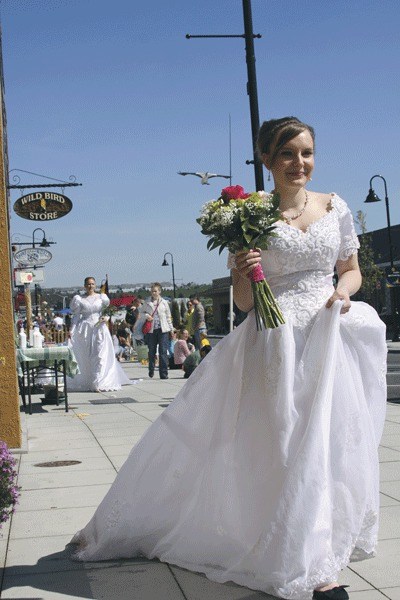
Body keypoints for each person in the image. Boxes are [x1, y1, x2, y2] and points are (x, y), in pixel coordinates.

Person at [71, 117, 387, 600]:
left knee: (324, 444)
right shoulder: (248, 214)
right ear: (266, 160)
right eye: (286, 154)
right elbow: (241, 303)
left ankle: (318, 559)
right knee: (281, 443)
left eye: (306, 153)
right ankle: (287, 546)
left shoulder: (335, 206)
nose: (299, 163)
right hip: (273, 343)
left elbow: (351, 270)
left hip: (327, 335)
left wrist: (343, 294)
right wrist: (242, 270)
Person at [67, 277, 131, 391]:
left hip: (99, 328)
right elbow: (76, 316)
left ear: (95, 285)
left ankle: (99, 381)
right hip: (85, 329)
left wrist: (105, 318)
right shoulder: (79, 299)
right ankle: (89, 379)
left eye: (92, 284)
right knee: (87, 355)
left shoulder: (102, 297)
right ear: (85, 286)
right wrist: (71, 330)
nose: (90, 286)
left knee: (99, 353)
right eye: (88, 284)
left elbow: (107, 312)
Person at [143, 283, 173, 379]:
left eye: (155, 291)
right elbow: (141, 313)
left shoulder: (164, 303)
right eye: (152, 291)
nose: (153, 293)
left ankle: (163, 373)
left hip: (163, 330)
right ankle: (151, 368)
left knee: (163, 351)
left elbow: (168, 317)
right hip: (151, 330)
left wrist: (171, 329)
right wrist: (147, 316)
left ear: (159, 291)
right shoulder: (147, 302)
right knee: (152, 351)